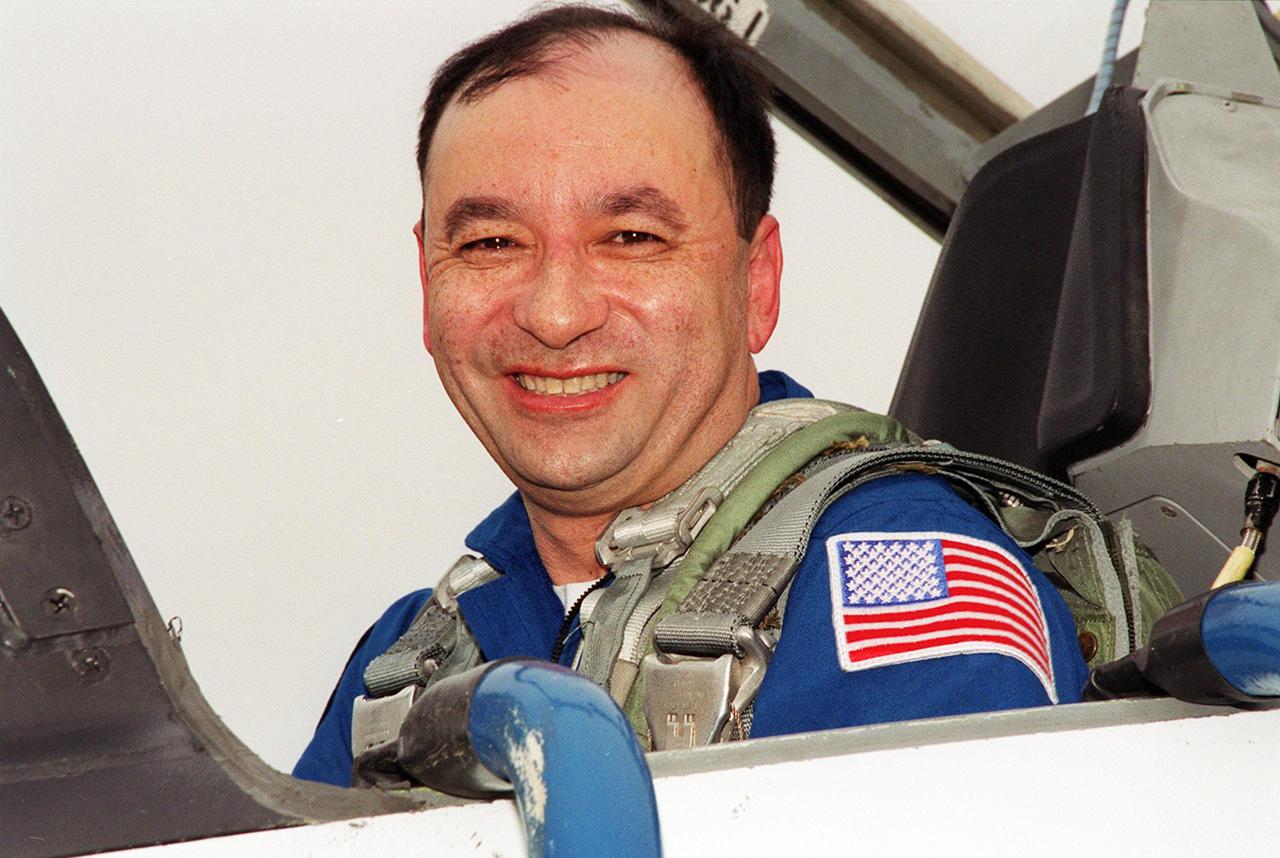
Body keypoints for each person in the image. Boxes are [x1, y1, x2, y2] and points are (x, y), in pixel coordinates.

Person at [294, 5, 1088, 787]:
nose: (555, 313)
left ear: (756, 284)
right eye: (491, 244)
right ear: (427, 282)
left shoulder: (903, 574)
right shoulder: (401, 672)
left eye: (632, 238)